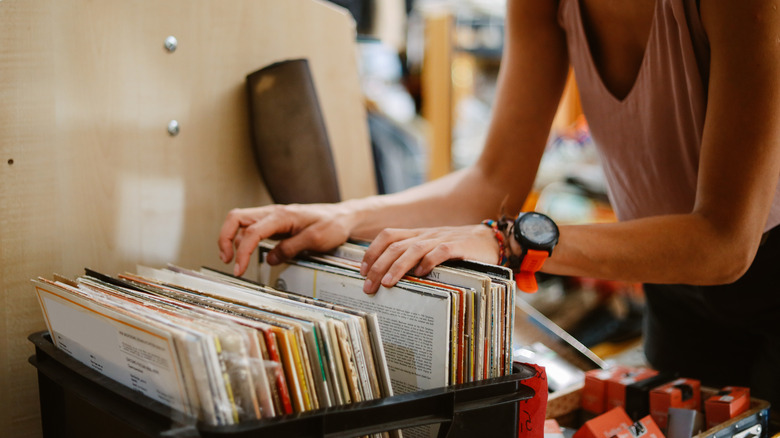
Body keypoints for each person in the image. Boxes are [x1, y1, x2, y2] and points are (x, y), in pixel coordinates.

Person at [219, 0, 780, 407]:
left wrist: (508, 241)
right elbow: (492, 180)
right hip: (672, 286)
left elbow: (723, 242)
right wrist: (343, 216)